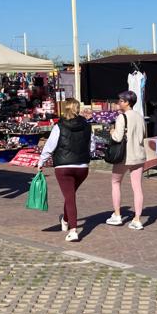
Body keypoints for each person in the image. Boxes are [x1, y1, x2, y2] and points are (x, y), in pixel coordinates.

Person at [37, 98, 91, 242]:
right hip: (82, 167)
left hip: (63, 166)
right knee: (70, 196)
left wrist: (41, 161)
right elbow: (91, 146)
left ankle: (73, 230)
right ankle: (65, 220)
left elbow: (50, 146)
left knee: (70, 197)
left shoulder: (59, 126)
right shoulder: (86, 125)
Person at [106, 90, 147, 230]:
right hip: (139, 155)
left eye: (121, 101)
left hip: (124, 156)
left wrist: (111, 132)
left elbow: (117, 138)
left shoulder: (122, 117)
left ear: (127, 102)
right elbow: (143, 135)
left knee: (116, 182)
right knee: (137, 187)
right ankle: (137, 219)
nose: (118, 103)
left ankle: (117, 215)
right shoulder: (140, 116)